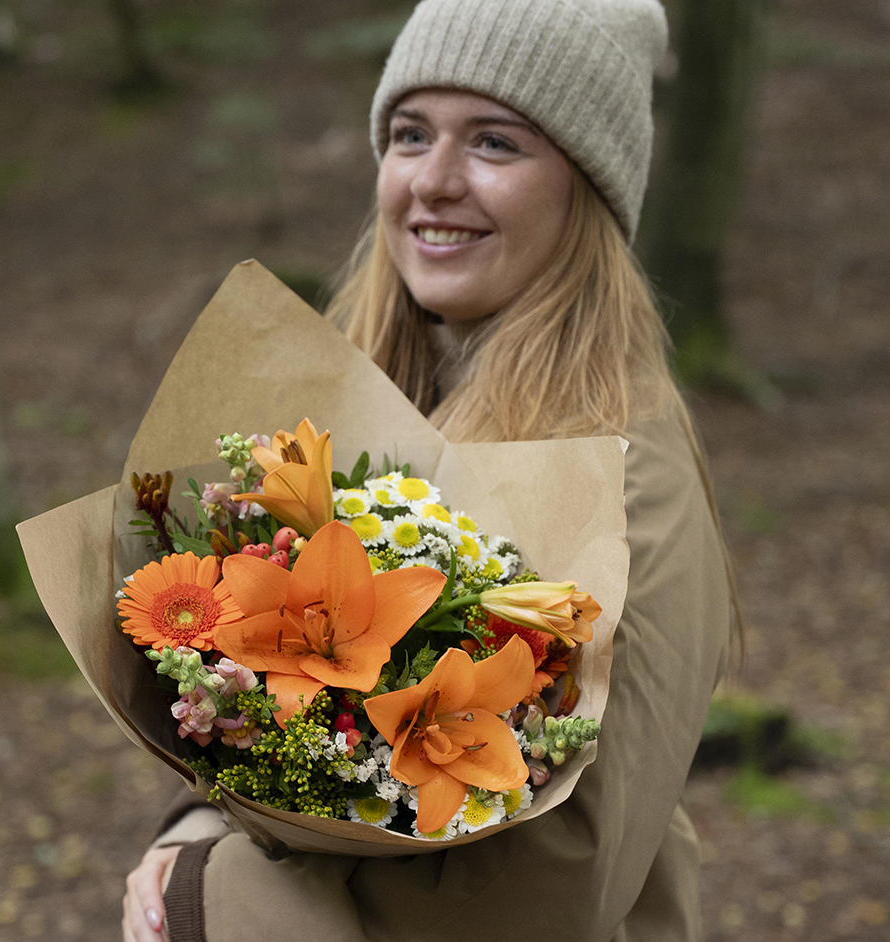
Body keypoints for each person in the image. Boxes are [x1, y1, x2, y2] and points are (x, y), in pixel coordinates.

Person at [122, 1, 738, 940]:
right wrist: (202, 815)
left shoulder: (616, 467)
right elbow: (275, 721)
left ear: (588, 189)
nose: (434, 182)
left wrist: (220, 893)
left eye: (494, 143)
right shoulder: (356, 412)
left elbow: (560, 877)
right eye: (410, 134)